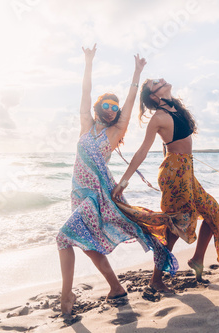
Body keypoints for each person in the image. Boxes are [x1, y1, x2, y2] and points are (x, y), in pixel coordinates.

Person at [56, 46, 178, 316]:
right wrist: (88, 62)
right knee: (87, 244)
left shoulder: (115, 132)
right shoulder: (86, 125)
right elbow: (85, 93)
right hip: (77, 193)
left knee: (63, 238)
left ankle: (67, 295)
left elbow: (131, 100)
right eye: (107, 106)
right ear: (99, 108)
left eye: (115, 107)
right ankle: (116, 288)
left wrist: (137, 73)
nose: (111, 110)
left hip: (97, 196)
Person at [111, 78, 219, 291]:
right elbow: (142, 151)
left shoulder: (177, 109)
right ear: (155, 96)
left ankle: (197, 260)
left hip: (186, 171)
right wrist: (124, 182)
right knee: (175, 227)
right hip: (175, 174)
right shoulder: (158, 117)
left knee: (214, 214)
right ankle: (156, 279)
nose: (162, 80)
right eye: (156, 82)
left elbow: (170, 144)